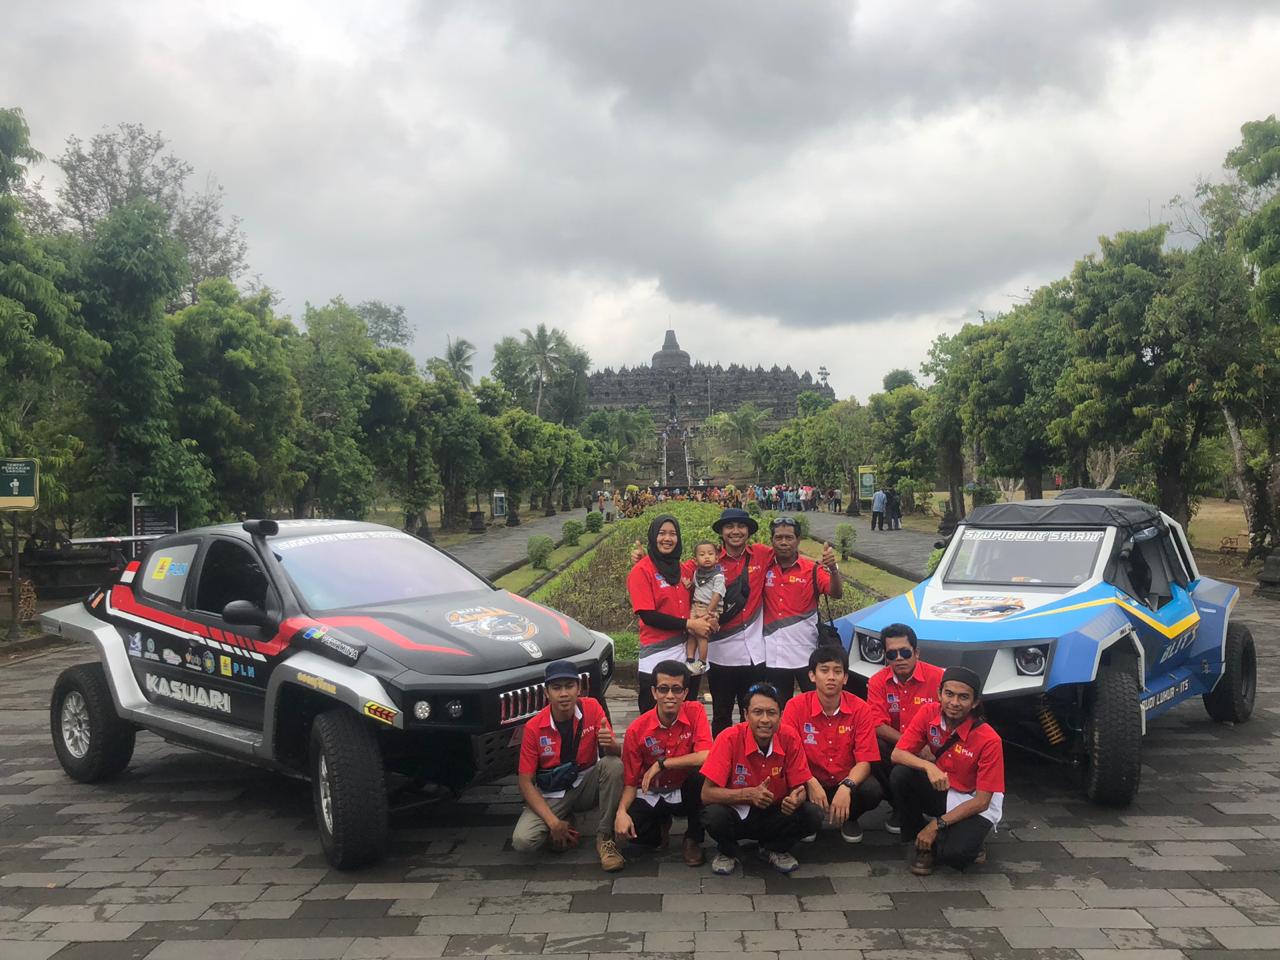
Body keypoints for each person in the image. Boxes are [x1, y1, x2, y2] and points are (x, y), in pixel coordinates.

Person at [513, 660, 627, 872]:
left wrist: (611, 744)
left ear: (579, 688)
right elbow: (525, 782)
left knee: (614, 765)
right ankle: (562, 821)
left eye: (569, 686)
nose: (563, 693)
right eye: (556, 688)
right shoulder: (533, 728)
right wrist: (553, 822)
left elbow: (617, 755)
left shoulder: (592, 707)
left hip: (587, 783)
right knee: (523, 841)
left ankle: (605, 837)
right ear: (547, 692)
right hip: (552, 792)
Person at [700, 682, 824, 875]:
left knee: (813, 814)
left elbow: (798, 787)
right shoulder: (728, 738)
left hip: (774, 811)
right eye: (758, 712)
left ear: (781, 715)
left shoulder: (790, 737)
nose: (765, 720)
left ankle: (774, 849)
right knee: (713, 815)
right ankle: (727, 851)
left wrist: (795, 800)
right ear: (745, 714)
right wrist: (748, 795)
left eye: (771, 713)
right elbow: (706, 794)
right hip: (737, 813)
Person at [890, 666, 1004, 875]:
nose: (954, 703)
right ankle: (921, 845)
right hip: (943, 787)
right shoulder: (928, 712)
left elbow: (982, 801)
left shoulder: (990, 740)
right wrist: (928, 765)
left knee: (956, 855)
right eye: (949, 694)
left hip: (973, 800)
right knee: (901, 775)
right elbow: (897, 754)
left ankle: (953, 837)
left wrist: (935, 826)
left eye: (963, 697)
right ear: (939, 693)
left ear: (975, 702)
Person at [781, 645, 883, 843]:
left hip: (843, 778)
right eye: (824, 670)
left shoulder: (860, 708)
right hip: (808, 779)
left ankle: (850, 818)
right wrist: (809, 781)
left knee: (872, 790)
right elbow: (788, 754)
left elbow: (865, 760)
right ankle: (808, 820)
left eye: (838, 671)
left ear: (845, 678)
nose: (831, 677)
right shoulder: (795, 706)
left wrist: (847, 786)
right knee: (792, 790)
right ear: (812, 675)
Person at [615, 660, 713, 867]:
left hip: (684, 789)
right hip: (651, 792)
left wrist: (663, 764)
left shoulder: (695, 711)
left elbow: (706, 755)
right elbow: (631, 783)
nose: (670, 696)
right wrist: (621, 812)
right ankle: (660, 826)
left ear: (685, 693)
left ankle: (693, 838)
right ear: (653, 692)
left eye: (676, 689)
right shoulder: (636, 730)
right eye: (663, 689)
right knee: (634, 837)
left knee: (704, 777)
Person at [865, 623, 945, 834]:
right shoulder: (877, 681)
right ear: (886, 656)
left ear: (916, 652)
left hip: (934, 751)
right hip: (900, 748)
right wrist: (913, 747)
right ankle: (899, 807)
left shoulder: (938, 678)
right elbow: (877, 725)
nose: (899, 658)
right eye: (892, 654)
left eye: (905, 652)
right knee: (873, 744)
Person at [627, 515, 712, 712]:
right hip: (657, 654)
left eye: (673, 534)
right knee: (652, 715)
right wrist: (689, 625)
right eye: (662, 533)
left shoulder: (683, 570)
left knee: (687, 713)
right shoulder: (642, 571)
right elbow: (648, 615)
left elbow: (712, 557)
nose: (667, 538)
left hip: (688, 656)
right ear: (653, 536)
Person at [761, 517, 843, 705]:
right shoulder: (764, 568)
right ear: (771, 540)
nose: (783, 542)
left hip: (806, 654)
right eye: (778, 537)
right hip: (773, 655)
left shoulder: (812, 569)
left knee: (814, 707)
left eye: (789, 538)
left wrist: (833, 569)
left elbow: (836, 593)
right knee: (777, 709)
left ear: (798, 540)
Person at [686, 541, 724, 675]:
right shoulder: (697, 573)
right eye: (702, 555)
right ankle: (690, 660)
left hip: (708, 608)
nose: (707, 557)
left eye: (710, 554)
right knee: (691, 631)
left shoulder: (718, 576)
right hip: (696, 606)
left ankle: (701, 662)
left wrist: (710, 611)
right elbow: (697, 588)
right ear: (696, 560)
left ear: (717, 558)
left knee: (702, 634)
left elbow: (717, 594)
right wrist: (689, 585)